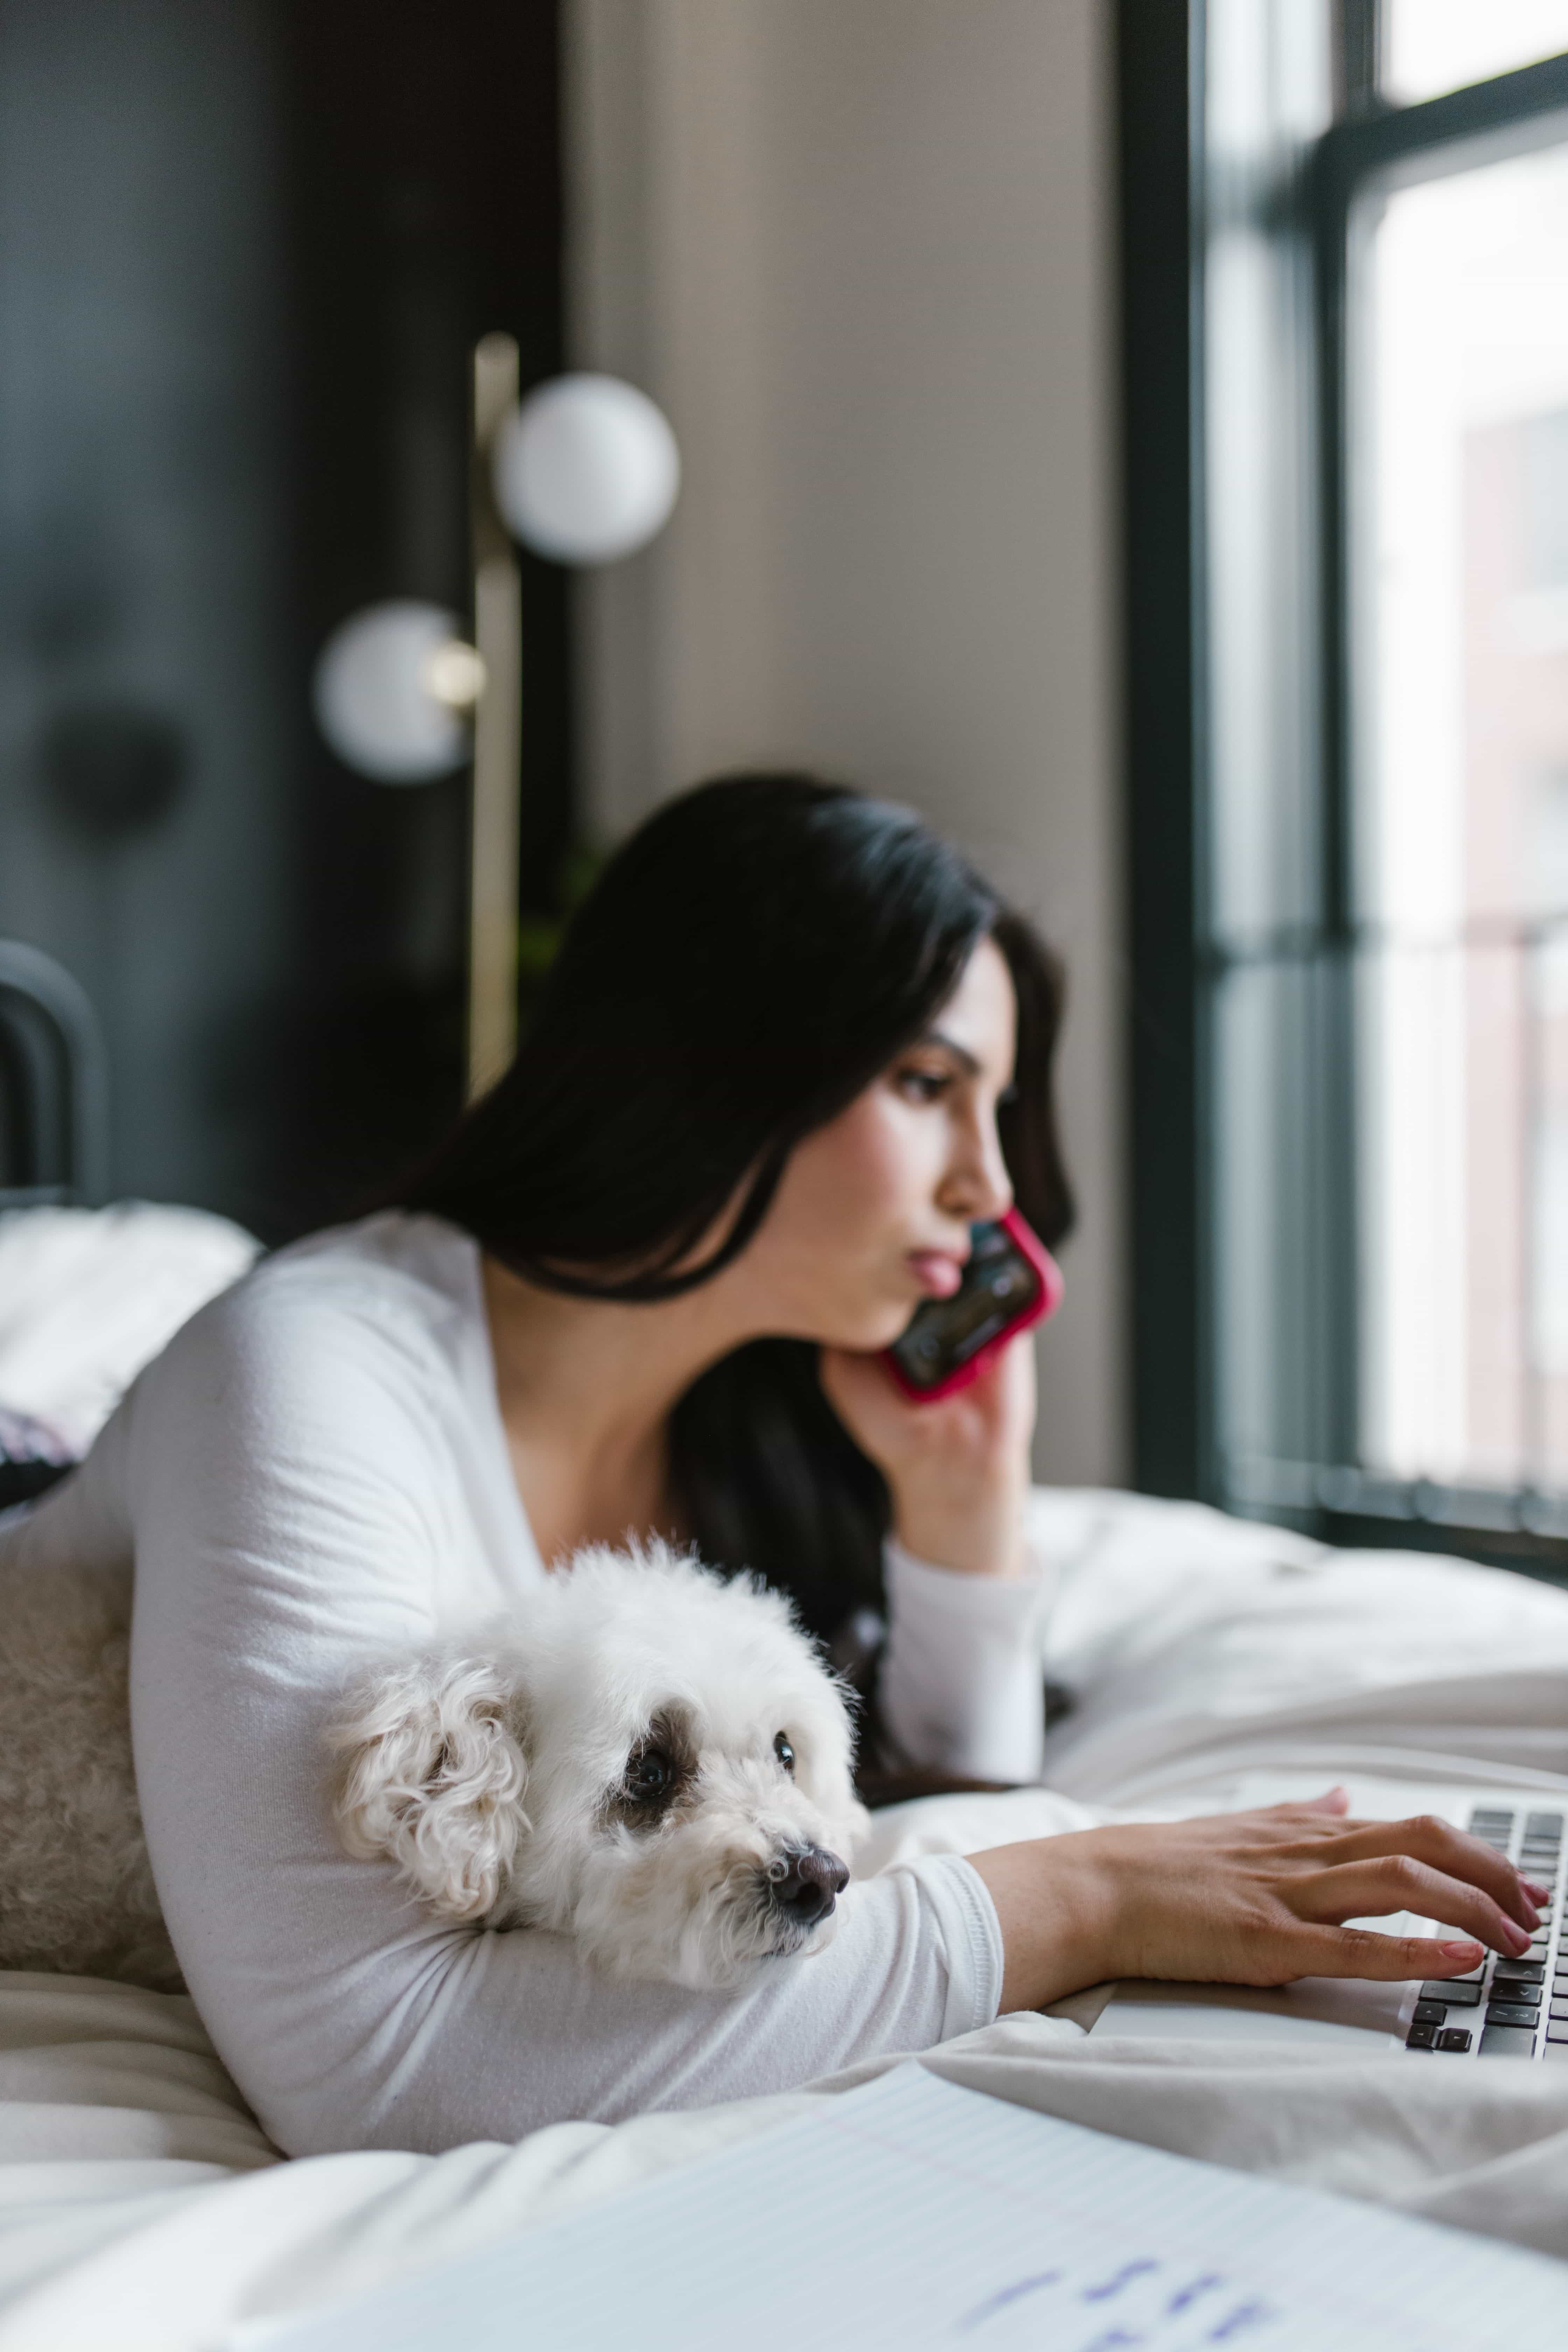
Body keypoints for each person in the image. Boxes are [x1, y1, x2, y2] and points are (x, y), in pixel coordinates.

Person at [8, 775, 1552, 2156]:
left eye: (996, 1108)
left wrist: (964, 1515)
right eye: (930, 1086)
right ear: (720, 1065)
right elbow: (377, 2066)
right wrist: (1084, 1899)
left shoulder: (746, 1411)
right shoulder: (313, 1369)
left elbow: (939, 1780)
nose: (990, 1185)